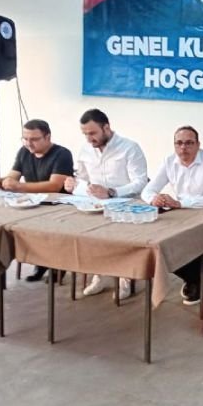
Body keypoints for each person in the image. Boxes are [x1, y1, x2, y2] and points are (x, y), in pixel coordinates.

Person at [0, 119, 74, 282]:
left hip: (59, 206)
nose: (28, 143)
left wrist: (19, 186)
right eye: (25, 139)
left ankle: (57, 265)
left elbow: (54, 186)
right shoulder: (24, 151)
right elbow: (12, 178)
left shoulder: (62, 154)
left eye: (34, 139)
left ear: (47, 137)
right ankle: (39, 264)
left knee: (50, 232)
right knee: (20, 229)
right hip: (32, 204)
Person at [64, 109, 148, 300]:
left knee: (122, 242)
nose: (89, 138)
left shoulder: (129, 148)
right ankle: (99, 275)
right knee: (91, 239)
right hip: (95, 205)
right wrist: (72, 183)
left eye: (92, 133)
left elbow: (140, 182)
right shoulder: (85, 149)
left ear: (106, 128)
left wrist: (112, 192)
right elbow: (82, 178)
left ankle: (125, 279)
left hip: (127, 204)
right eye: (85, 134)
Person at [141, 125, 203, 305]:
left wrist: (180, 203)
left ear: (198, 145)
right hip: (182, 215)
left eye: (189, 143)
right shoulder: (169, 161)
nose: (183, 148)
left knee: (180, 241)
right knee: (160, 241)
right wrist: (154, 198)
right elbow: (147, 190)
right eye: (178, 143)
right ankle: (197, 276)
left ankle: (196, 277)